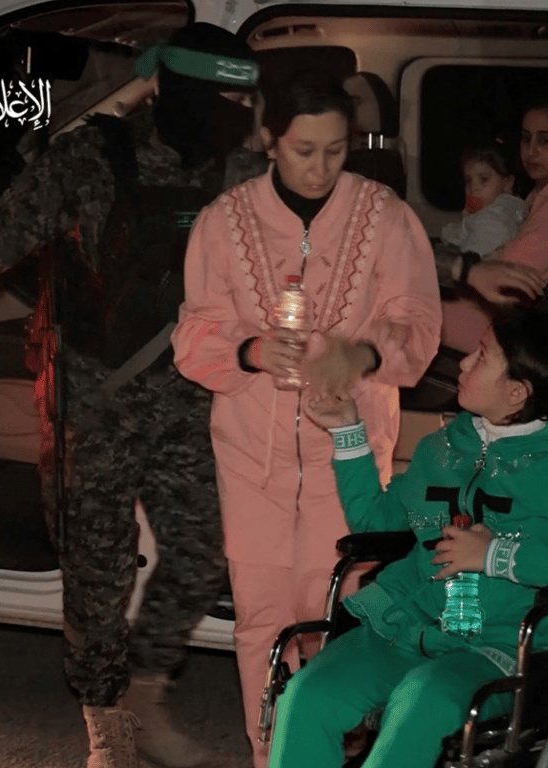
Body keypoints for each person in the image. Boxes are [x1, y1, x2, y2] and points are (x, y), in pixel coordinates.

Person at [0, 23, 260, 768]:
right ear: (177, 89)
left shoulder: (240, 171)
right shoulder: (91, 158)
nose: (238, 114)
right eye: (222, 98)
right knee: (97, 569)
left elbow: (326, 233)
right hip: (94, 399)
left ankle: (146, 694)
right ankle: (108, 723)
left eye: (245, 100)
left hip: (193, 398)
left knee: (202, 552)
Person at [170, 69, 442, 768]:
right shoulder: (225, 221)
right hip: (249, 458)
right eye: (303, 150)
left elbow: (417, 324)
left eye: (335, 150)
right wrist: (251, 349)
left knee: (337, 615)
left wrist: (362, 353)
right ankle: (269, 757)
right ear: (269, 140)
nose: (320, 168)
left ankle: (331, 752)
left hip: (345, 455)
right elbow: (194, 335)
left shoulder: (384, 217)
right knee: (261, 620)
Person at [268, 309, 548, 768]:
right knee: (308, 694)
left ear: (517, 391)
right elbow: (376, 522)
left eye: (481, 356)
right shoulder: (443, 447)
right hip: (411, 625)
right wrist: (347, 431)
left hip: (502, 647)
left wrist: (495, 555)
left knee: (421, 701)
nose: (462, 363)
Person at [440, 91, 548, 353]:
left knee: (407, 316)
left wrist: (454, 268)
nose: (532, 150)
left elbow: (510, 268)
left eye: (545, 140)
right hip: (495, 307)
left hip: (503, 321)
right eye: (526, 139)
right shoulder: (538, 194)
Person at [439, 142, 528, 258]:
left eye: (484, 179)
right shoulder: (507, 210)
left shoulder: (493, 219)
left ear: (507, 184)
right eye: (468, 181)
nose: (473, 188)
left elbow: (469, 254)